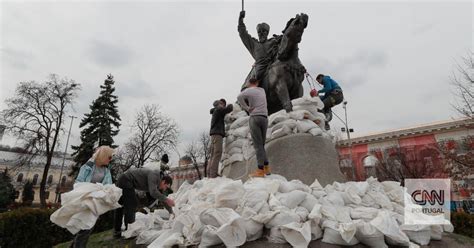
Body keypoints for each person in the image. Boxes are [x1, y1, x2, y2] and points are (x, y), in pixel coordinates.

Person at [71, 146, 115, 248]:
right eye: (109, 157)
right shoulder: (87, 167)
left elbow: (108, 185)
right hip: (85, 199)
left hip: (96, 202)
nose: (110, 159)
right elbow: (78, 182)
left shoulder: (106, 170)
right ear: (103, 156)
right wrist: (89, 190)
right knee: (85, 228)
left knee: (87, 228)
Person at [113, 168, 174, 238]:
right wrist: (167, 199)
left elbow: (162, 198)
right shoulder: (154, 175)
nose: (165, 189)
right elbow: (153, 192)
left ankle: (117, 231)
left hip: (126, 180)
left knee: (120, 205)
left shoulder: (158, 183)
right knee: (132, 204)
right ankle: (130, 230)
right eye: (166, 187)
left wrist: (171, 212)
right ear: (163, 182)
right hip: (126, 179)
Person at [237, 78, 271, 177]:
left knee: (257, 145)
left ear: (249, 83)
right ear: (257, 82)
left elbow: (239, 97)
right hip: (264, 118)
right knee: (262, 145)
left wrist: (247, 108)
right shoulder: (262, 90)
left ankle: (260, 170)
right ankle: (267, 169)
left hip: (255, 117)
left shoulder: (248, 91)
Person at [238, 10, 280, 86]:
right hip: (260, 67)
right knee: (257, 76)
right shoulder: (253, 44)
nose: (261, 33)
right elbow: (242, 33)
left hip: (274, 64)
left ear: (267, 33)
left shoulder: (273, 41)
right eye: (259, 32)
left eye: (264, 31)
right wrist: (240, 19)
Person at [208, 98, 233, 178]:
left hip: (214, 134)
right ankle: (213, 174)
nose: (223, 106)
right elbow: (229, 109)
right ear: (220, 104)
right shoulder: (218, 108)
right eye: (223, 105)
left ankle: (210, 173)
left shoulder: (216, 110)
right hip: (217, 134)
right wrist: (231, 105)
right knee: (217, 153)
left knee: (213, 154)